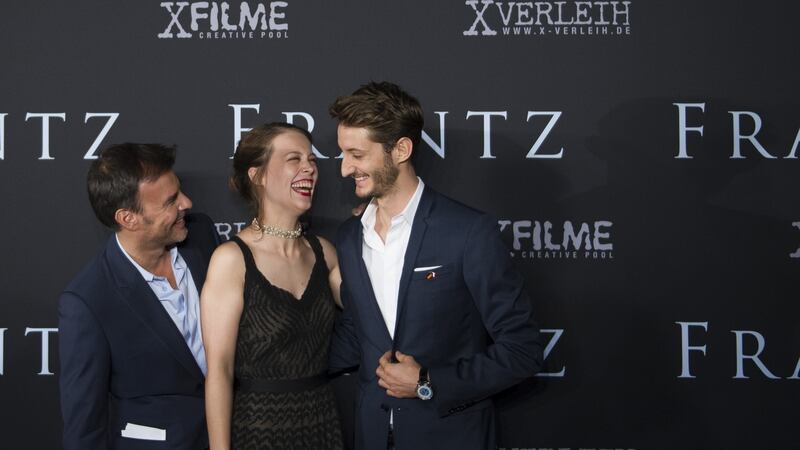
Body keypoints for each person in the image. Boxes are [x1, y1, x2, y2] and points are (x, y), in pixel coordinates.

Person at [328, 82, 543, 450]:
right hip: (371, 434)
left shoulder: (467, 231)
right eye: (343, 153)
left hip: (452, 436)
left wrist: (428, 382)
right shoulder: (349, 236)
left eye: (356, 154)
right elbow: (356, 334)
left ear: (401, 150)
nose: (345, 168)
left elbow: (523, 350)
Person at [59, 143, 219, 450]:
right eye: (171, 201)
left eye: (180, 191)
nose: (187, 203)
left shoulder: (201, 234)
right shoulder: (89, 301)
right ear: (128, 218)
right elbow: (85, 425)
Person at [202, 123, 344, 450]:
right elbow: (219, 371)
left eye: (312, 160)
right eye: (294, 159)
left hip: (323, 426)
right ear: (258, 175)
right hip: (257, 430)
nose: (309, 168)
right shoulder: (231, 260)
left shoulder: (324, 253)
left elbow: (375, 312)